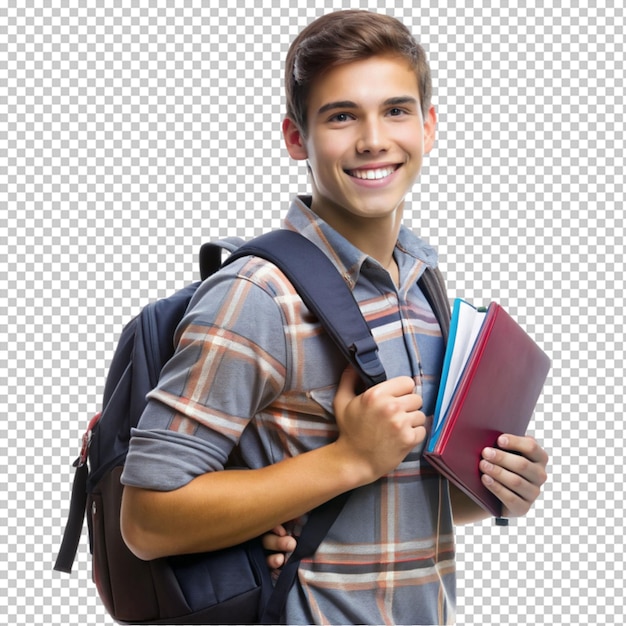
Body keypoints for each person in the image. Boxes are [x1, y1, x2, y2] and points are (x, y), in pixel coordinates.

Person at [120, 10, 549, 625]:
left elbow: (393, 501)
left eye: (396, 111)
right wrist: (347, 460)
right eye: (341, 115)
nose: (374, 138)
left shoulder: (423, 286)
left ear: (429, 127)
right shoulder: (257, 296)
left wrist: (497, 487)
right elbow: (147, 518)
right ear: (296, 138)